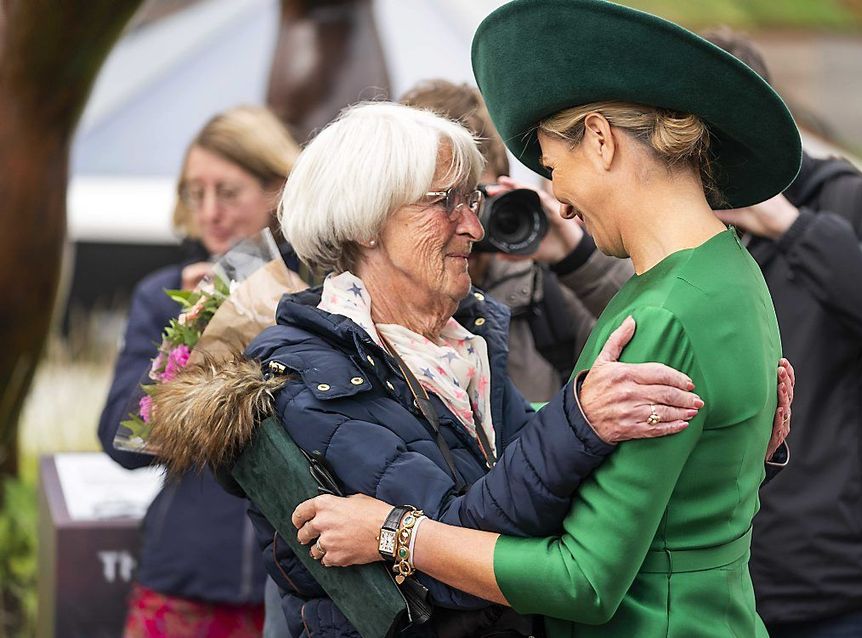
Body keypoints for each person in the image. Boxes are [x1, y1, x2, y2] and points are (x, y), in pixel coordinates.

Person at [153, 100, 760, 638]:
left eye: (470, 200)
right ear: (366, 221)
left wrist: (712, 438)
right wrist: (579, 418)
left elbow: (561, 498)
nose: (472, 225)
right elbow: (459, 557)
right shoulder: (308, 380)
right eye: (443, 202)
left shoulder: (459, 344)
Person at [288, 1, 801, 636]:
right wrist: (748, 451)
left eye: (556, 168)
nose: (556, 200)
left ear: (602, 140)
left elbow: (582, 580)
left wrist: (396, 533)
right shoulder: (732, 273)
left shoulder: (662, 314)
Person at [702, 28, 862, 637]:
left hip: (846, 586)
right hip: (716, 586)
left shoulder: (857, 204)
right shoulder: (673, 238)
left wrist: (790, 226)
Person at [97, 106, 301, 637]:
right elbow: (122, 441)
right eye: (195, 192)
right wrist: (191, 331)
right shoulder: (164, 294)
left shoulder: (323, 293)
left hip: (299, 584)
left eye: (227, 192)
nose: (209, 212)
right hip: (186, 577)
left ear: (276, 191)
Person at [399, 79, 633, 401]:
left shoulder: (542, 291)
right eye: (446, 201)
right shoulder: (365, 311)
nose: (471, 226)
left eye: (477, 200)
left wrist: (576, 257)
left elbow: (659, 335)